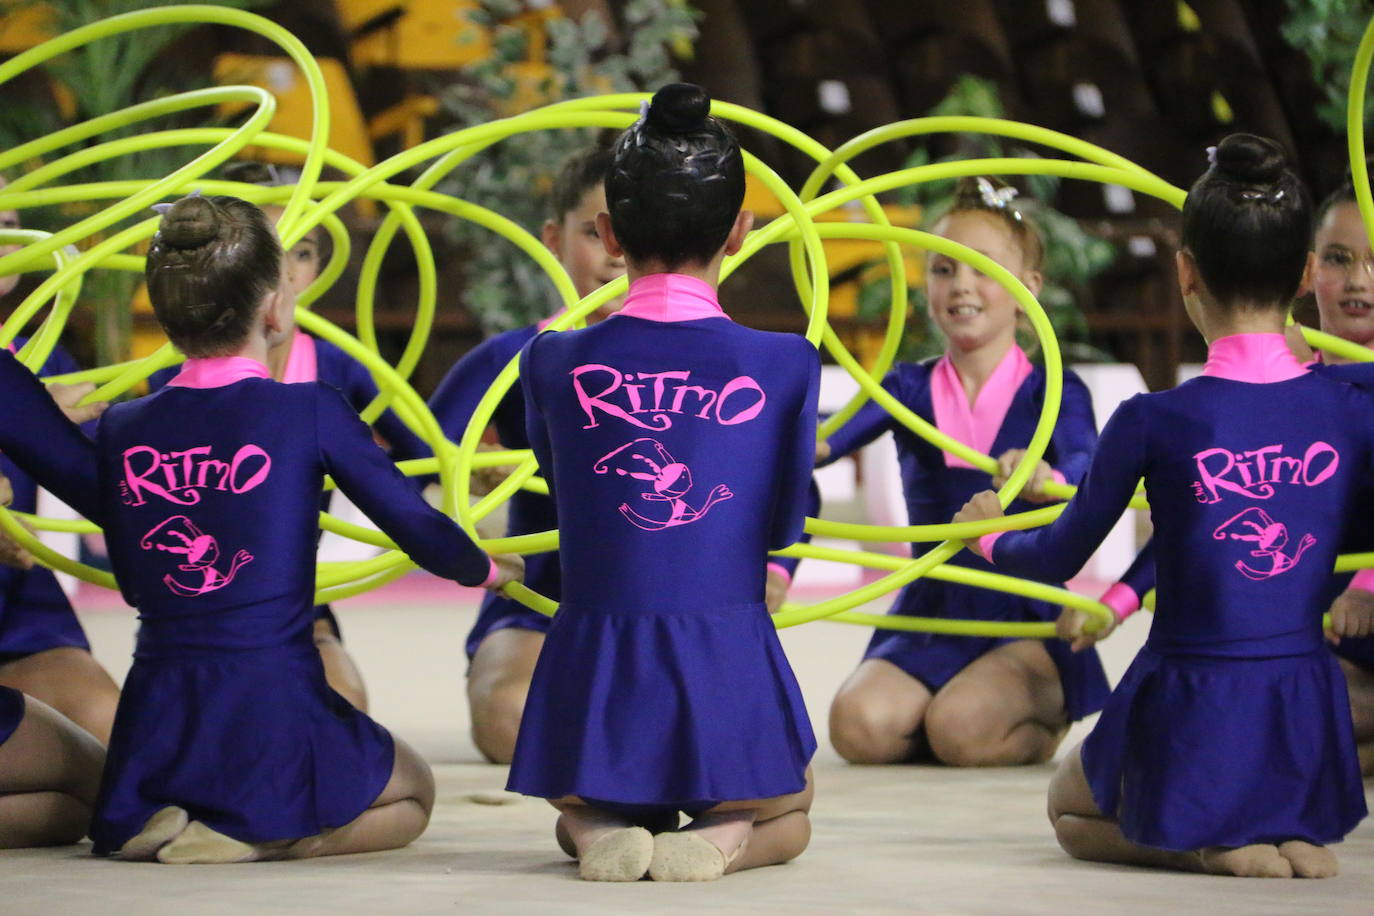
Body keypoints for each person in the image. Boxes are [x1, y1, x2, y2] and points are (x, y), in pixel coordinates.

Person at [954, 134, 1368, 878]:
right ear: (1307, 274)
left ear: (1185, 272)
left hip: (1192, 695)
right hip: (1303, 699)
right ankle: (1286, 828)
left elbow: (1055, 555)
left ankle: (1213, 847)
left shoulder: (1153, 420)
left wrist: (984, 536)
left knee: (1069, 810)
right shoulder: (1352, 409)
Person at [90, 193, 522, 864]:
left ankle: (162, 806)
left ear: (168, 317)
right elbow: (410, 519)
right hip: (271, 692)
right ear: (276, 307)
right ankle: (261, 838)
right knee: (412, 792)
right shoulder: (307, 409)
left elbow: (127, 560)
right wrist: (486, 569)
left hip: (159, 709)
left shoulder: (121, 427)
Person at [506, 84, 818, 882]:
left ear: (609, 235)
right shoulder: (785, 363)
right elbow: (785, 518)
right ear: (740, 234)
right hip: (724, 657)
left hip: (596, 663)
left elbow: (556, 473)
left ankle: (594, 826)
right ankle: (726, 835)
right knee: (792, 806)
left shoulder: (550, 357)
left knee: (578, 798)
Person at [1087, 167, 1374, 776]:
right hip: (1307, 627)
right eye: (1339, 259)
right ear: (1304, 271)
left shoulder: (1345, 402)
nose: (1359, 282)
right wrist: (1121, 597)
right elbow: (1203, 519)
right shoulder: (1269, 389)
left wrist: (1369, 584)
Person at [819, 176, 1107, 767]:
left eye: (983, 268)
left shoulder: (1054, 389)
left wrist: (1045, 471)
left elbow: (1088, 469)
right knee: (858, 728)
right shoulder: (905, 387)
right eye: (943, 269)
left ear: (1028, 287)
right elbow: (822, 445)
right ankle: (946, 707)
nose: (962, 285)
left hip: (1023, 606)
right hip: (933, 605)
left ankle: (1040, 711)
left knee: (962, 732)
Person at [145, 163, 428, 712]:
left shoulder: (340, 369)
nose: (286, 272)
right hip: (198, 603)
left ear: (321, 263)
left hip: (297, 601)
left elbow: (424, 458)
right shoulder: (170, 382)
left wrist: (375, 483)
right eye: (270, 251)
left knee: (345, 707)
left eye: (303, 251)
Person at [0, 176, 121, 742]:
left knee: (112, 754)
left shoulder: (41, 357)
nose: (7, 239)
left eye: (8, 223)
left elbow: (112, 486)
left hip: (21, 618)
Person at [0, 346, 110, 848]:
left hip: (21, 622)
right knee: (103, 781)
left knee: (92, 796)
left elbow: (108, 494)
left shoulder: (24, 371)